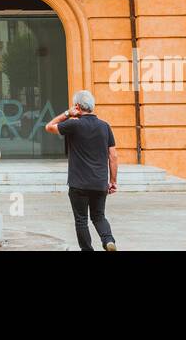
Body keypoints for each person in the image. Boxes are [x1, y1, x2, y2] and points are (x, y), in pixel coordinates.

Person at [46, 89, 118, 251]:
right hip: (99, 183)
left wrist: (67, 113)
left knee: (81, 220)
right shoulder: (105, 126)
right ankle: (108, 241)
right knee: (99, 216)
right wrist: (112, 181)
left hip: (78, 183)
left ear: (77, 106)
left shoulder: (73, 124)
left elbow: (49, 127)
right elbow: (113, 156)